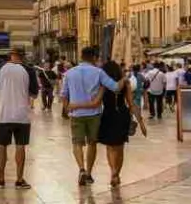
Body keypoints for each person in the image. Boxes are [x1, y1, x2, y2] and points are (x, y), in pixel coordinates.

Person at [60, 46, 119, 187]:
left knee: (77, 143)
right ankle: (89, 173)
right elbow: (115, 87)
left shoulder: (69, 73)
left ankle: (81, 169)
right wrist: (124, 80)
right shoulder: (98, 72)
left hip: (76, 114)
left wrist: (67, 109)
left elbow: (64, 94)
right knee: (92, 143)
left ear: (81, 56)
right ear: (94, 57)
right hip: (94, 114)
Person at [0, 48, 35, 189]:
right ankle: (19, 180)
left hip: (4, 114)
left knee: (2, 146)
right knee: (20, 146)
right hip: (22, 115)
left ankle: (1, 179)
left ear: (11, 56)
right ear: (23, 56)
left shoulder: (0, 68)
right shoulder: (29, 70)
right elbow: (34, 94)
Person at [97, 61, 141, 188]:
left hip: (108, 115)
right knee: (120, 148)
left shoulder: (103, 84)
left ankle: (113, 171)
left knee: (110, 147)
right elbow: (131, 103)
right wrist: (139, 120)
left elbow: (98, 101)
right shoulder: (125, 83)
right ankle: (116, 173)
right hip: (122, 114)